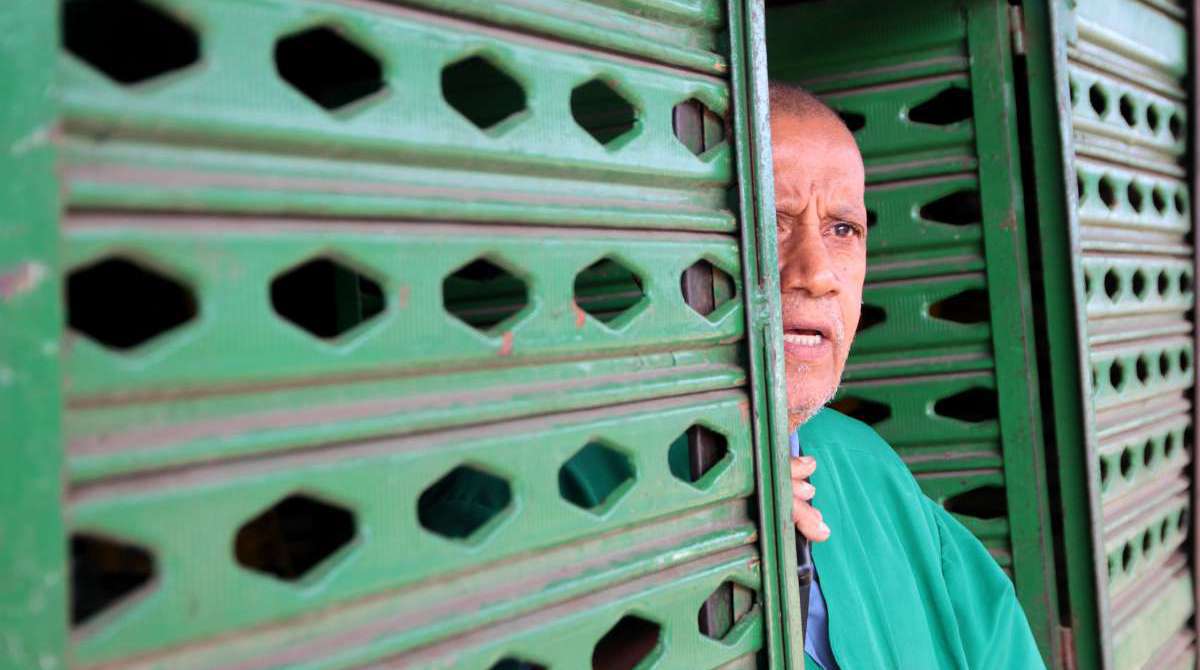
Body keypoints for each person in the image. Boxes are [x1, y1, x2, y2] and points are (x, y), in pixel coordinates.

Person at [771, 82, 1044, 670]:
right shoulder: (590, 487)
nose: (817, 274)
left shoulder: (866, 467)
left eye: (842, 229)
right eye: (772, 220)